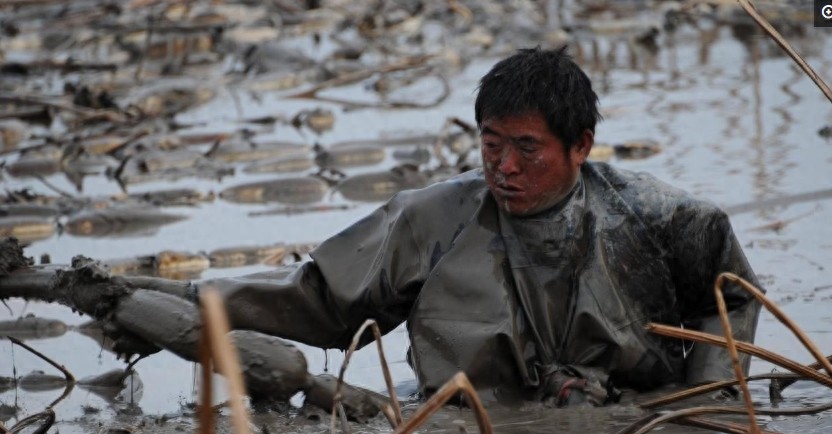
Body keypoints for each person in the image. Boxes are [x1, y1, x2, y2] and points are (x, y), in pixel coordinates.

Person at [209, 46, 761, 406]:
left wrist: (708, 399)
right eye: (491, 144)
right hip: (472, 423)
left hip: (632, 412)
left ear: (581, 146)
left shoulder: (666, 218)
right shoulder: (432, 219)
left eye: (527, 149)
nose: (505, 167)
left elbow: (729, 297)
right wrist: (190, 301)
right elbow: (320, 302)